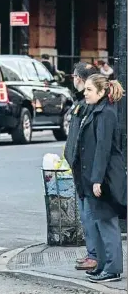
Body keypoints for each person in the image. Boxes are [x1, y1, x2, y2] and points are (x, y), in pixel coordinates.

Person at [74, 73, 126, 283]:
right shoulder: (94, 109)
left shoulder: (106, 113)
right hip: (90, 176)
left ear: (102, 92)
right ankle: (103, 265)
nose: (85, 93)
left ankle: (113, 268)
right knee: (96, 223)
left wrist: (97, 180)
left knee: (106, 223)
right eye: (85, 89)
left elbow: (103, 149)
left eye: (89, 89)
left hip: (103, 177)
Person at [64, 62, 100, 271]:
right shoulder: (83, 102)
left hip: (86, 170)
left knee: (89, 216)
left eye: (76, 77)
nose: (75, 81)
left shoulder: (88, 104)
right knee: (86, 215)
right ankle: (92, 253)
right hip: (81, 168)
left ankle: (94, 255)